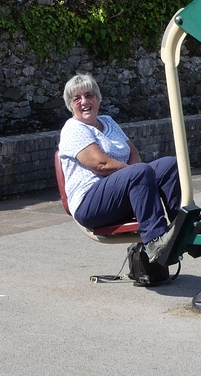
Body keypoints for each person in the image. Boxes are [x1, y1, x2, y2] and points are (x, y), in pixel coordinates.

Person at [58, 74, 181, 264]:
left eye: (89, 95)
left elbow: (133, 152)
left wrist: (141, 181)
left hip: (118, 194)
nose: (84, 102)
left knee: (168, 165)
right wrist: (138, 176)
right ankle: (155, 242)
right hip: (89, 202)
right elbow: (101, 165)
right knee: (140, 172)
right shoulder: (73, 128)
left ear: (98, 98)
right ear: (70, 105)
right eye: (77, 98)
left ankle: (179, 228)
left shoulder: (107, 121)